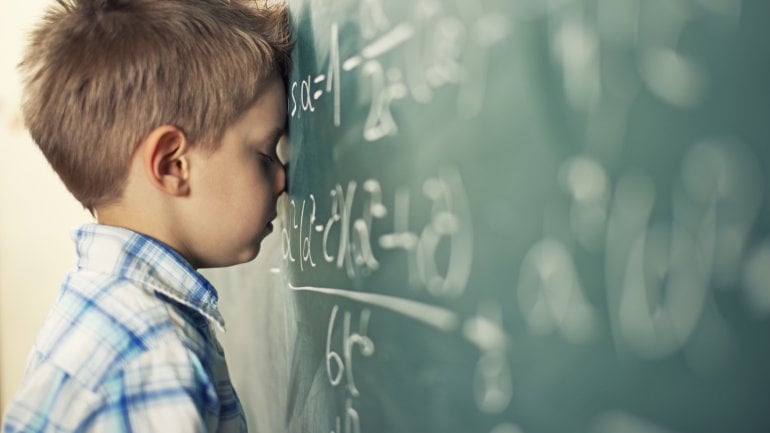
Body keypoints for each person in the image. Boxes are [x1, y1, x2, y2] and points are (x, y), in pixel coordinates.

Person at [2, 0, 293, 431]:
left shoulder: (99, 308)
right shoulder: (153, 359)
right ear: (173, 165)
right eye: (266, 154)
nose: (284, 179)